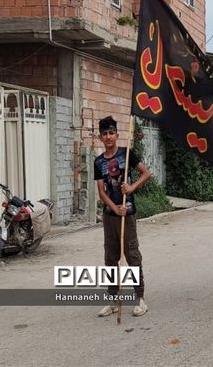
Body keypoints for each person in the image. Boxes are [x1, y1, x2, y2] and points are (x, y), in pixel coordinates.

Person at [94, 116, 152, 318]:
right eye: (104, 134)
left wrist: (131, 187)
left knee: (132, 255)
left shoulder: (126, 154)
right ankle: (113, 299)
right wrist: (114, 208)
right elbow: (101, 192)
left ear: (117, 135)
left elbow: (146, 173)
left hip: (127, 214)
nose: (108, 137)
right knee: (111, 256)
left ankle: (140, 299)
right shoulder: (99, 161)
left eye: (111, 133)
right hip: (110, 216)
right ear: (100, 137)